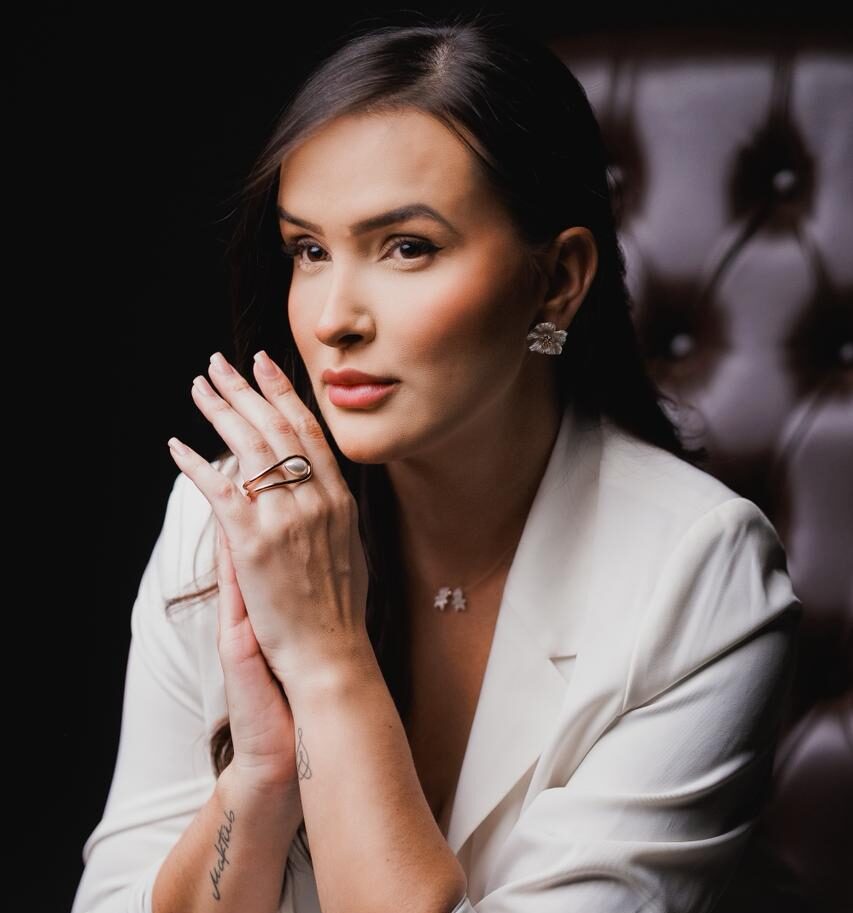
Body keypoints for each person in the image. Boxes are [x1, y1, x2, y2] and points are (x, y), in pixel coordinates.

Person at [72, 11, 803, 913]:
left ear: (556, 281)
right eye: (308, 250)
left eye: (407, 248)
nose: (333, 318)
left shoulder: (698, 572)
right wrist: (258, 780)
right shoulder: (236, 511)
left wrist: (330, 663)